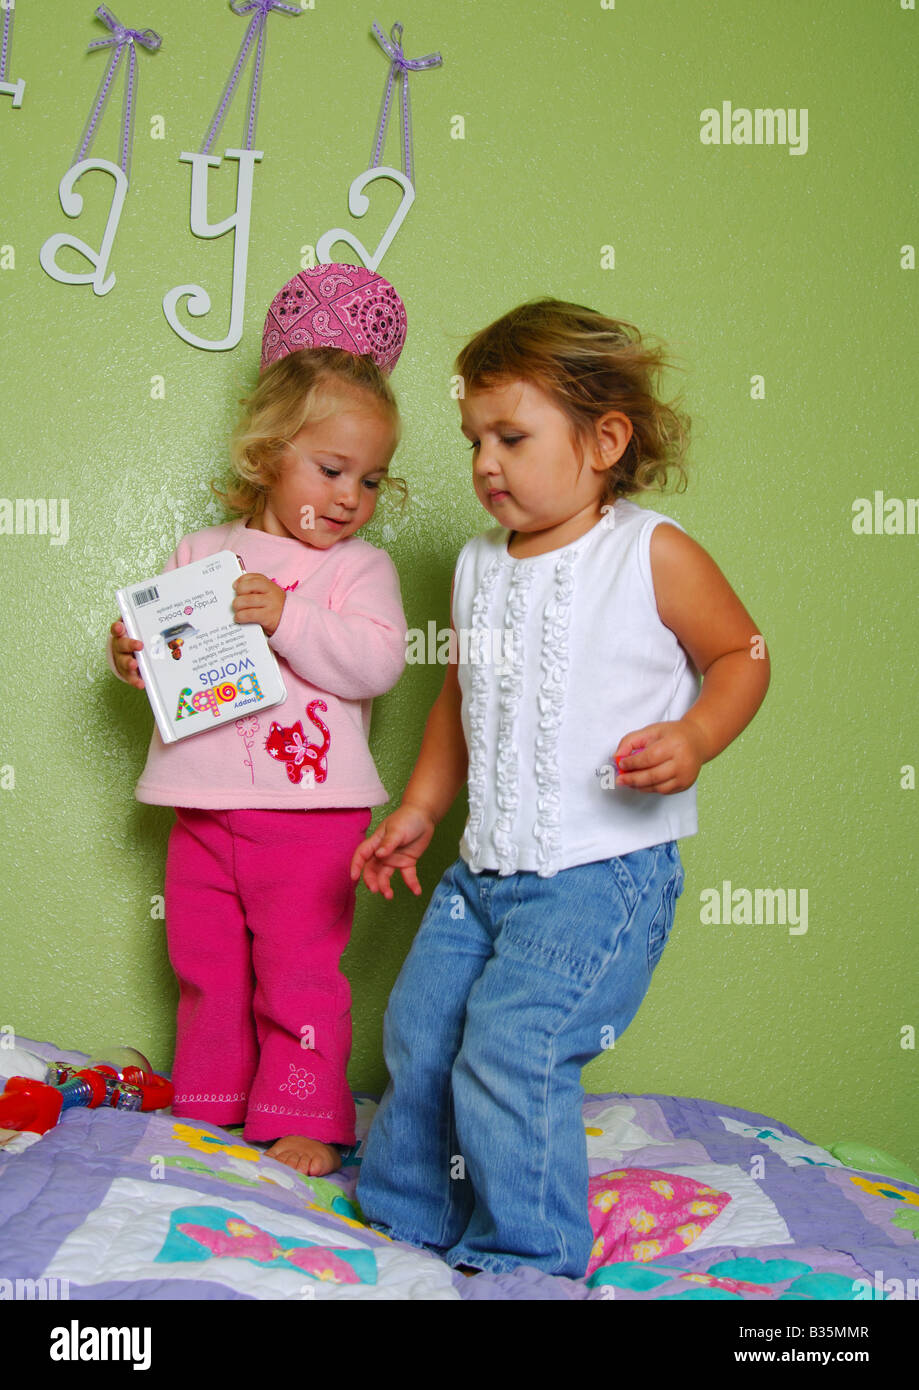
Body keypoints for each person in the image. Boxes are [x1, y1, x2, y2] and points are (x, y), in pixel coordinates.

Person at [350, 297, 770, 1277]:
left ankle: (525, 1258)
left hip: (598, 875)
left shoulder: (648, 551)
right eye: (473, 440)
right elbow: (461, 694)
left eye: (511, 435)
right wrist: (417, 806)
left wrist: (696, 734)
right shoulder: (476, 564)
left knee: (514, 1045)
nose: (484, 462)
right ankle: (405, 1219)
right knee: (420, 1026)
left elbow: (740, 653)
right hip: (482, 872)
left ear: (603, 439)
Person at [108, 264, 409, 1177]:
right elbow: (176, 664)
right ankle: (208, 1100)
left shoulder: (359, 570)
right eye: (330, 469)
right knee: (204, 961)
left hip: (312, 814)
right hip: (200, 804)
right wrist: (132, 657)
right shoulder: (202, 553)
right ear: (266, 452)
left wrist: (288, 617)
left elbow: (378, 660)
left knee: (299, 970)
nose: (350, 496)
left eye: (371, 478)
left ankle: (304, 1111)